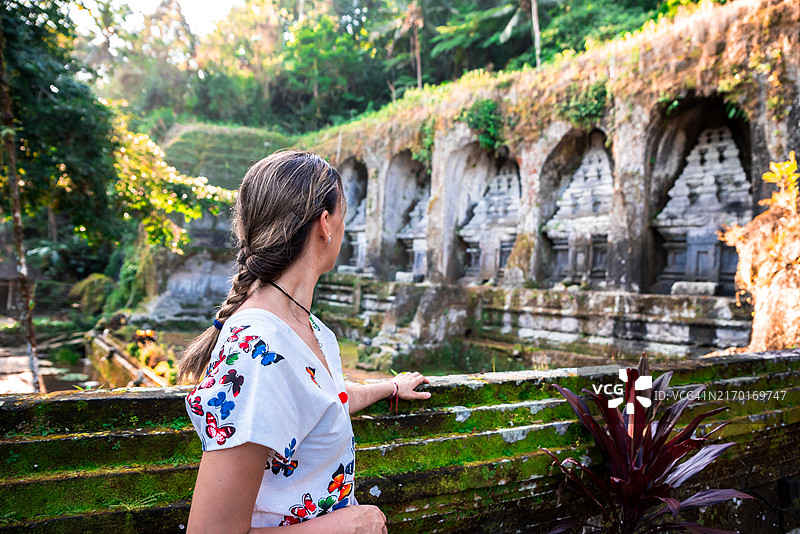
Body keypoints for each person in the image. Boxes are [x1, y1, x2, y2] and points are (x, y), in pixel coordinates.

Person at [178, 150, 431, 534]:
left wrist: (389, 387)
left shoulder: (306, 326)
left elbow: (316, 399)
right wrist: (347, 525)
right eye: (344, 216)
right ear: (325, 224)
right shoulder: (256, 350)